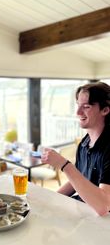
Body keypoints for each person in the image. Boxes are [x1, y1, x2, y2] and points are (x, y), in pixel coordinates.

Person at [41, 82, 110, 216]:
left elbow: (104, 205)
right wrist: (50, 199)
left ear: (105, 110)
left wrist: (64, 165)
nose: (78, 112)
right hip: (83, 210)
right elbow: (77, 180)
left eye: (86, 107)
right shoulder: (84, 143)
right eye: (78, 105)